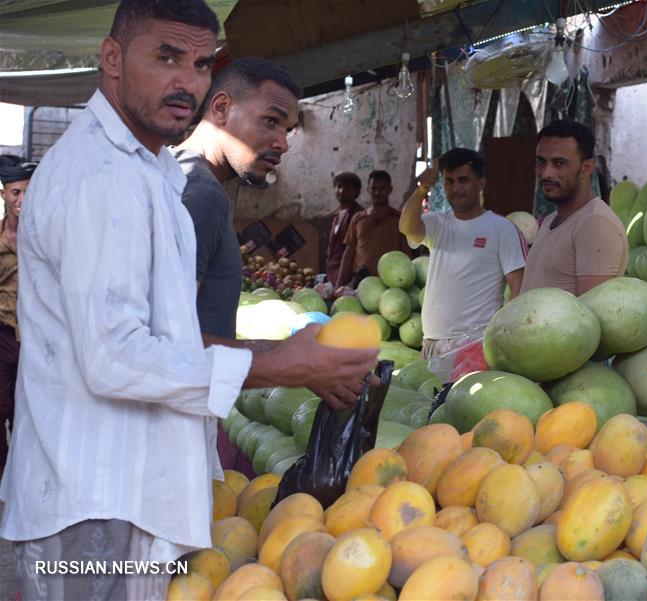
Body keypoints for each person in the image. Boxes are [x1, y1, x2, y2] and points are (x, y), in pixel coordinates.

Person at [0, 2, 377, 599]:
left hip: (130, 494)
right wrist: (284, 364)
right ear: (112, 59)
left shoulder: (149, 171)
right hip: (96, 503)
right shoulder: (101, 178)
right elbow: (117, 357)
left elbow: (169, 335)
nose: (188, 82)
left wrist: (287, 357)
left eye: (201, 64)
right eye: (167, 57)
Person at [174, 56, 303, 478]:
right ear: (222, 108)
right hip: (174, 424)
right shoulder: (202, 195)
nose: (282, 142)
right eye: (271, 121)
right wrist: (290, 360)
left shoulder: (181, 174)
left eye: (287, 130)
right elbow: (169, 340)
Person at [400, 148, 526, 360]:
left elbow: (518, 287)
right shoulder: (437, 223)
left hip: (475, 345)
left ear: (481, 184)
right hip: (432, 343)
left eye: (463, 180)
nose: (456, 188)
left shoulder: (502, 229)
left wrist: (505, 339)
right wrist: (421, 189)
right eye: (449, 181)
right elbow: (406, 227)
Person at [521, 120, 628, 296]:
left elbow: (591, 314)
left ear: (587, 168)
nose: (547, 172)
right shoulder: (551, 220)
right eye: (541, 161)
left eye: (559, 163)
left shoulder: (595, 225)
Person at [0, 156, 36, 477]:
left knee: (27, 410)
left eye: (27, 192)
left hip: (35, 339)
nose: (22, 200)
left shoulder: (42, 239)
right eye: (15, 193)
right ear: (3, 195)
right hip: (2, 336)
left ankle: (21, 476)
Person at [336, 170, 411, 289]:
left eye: (382, 188)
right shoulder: (358, 219)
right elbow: (349, 252)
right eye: (373, 188)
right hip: (361, 281)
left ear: (390, 189)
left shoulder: (399, 219)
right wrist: (338, 284)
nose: (377, 192)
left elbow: (406, 252)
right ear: (368, 189)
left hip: (392, 282)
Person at [326, 171, 364, 285]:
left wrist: (341, 280)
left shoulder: (358, 215)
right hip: (332, 272)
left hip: (349, 276)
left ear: (356, 191)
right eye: (339, 186)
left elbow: (353, 249)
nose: (341, 191)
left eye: (347, 188)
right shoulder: (336, 215)